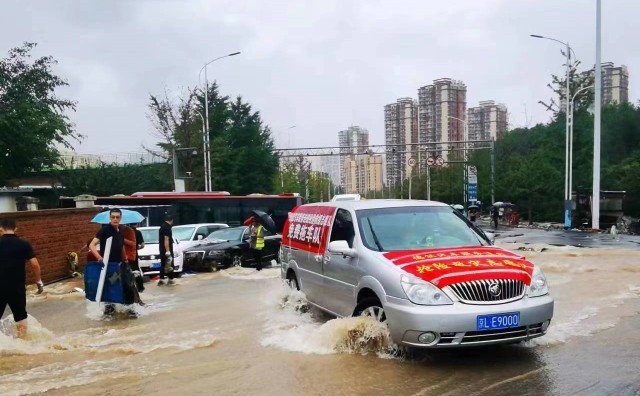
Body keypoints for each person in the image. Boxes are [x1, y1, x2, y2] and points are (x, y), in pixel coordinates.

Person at [0, 218, 44, 339]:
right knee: (20, 317)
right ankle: (22, 343)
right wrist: (38, 281)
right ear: (15, 229)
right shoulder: (23, 244)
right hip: (17, 287)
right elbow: (35, 264)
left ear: (1, 229)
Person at [88, 208, 137, 317]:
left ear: (120, 218)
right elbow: (92, 245)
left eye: (117, 217)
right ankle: (109, 311)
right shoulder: (105, 230)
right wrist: (99, 258)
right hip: (109, 266)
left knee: (127, 286)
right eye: (113, 217)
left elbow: (121, 247)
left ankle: (129, 310)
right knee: (110, 286)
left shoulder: (120, 231)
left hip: (120, 264)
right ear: (110, 218)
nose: (115, 219)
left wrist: (125, 260)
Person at [158, 214, 175, 285]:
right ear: (171, 220)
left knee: (163, 264)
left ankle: (161, 280)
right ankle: (170, 280)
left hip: (161, 249)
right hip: (166, 249)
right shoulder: (167, 228)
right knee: (169, 264)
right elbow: (166, 239)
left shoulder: (162, 227)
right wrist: (168, 250)